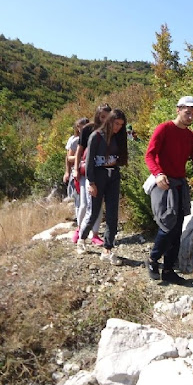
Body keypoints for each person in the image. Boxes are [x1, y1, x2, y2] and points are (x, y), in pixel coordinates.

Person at [145, 95, 193, 284]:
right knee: (167, 224)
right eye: (188, 112)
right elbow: (150, 155)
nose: (191, 117)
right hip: (163, 183)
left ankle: (169, 270)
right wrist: (158, 173)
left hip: (179, 184)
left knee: (177, 229)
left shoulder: (190, 136)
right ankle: (153, 259)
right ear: (178, 109)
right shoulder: (164, 129)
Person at [79, 108, 128, 265]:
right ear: (110, 121)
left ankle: (107, 249)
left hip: (113, 176)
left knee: (113, 214)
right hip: (98, 177)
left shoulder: (119, 137)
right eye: (116, 123)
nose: (118, 127)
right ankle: (82, 238)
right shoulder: (96, 136)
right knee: (94, 212)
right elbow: (89, 161)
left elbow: (121, 158)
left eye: (121, 124)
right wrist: (91, 183)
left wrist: (115, 162)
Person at [74, 103, 111, 251]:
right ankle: (80, 230)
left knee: (98, 204)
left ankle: (94, 234)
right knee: (85, 203)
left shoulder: (111, 129)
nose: (104, 120)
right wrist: (75, 169)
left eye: (107, 117)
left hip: (103, 172)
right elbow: (79, 150)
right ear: (97, 115)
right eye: (102, 117)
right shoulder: (88, 129)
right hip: (86, 171)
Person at [64, 117, 89, 240]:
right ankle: (80, 227)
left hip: (87, 172)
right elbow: (69, 158)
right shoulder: (74, 140)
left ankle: (85, 226)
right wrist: (68, 171)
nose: (81, 128)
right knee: (79, 200)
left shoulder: (91, 137)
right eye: (79, 126)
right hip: (77, 171)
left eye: (83, 126)